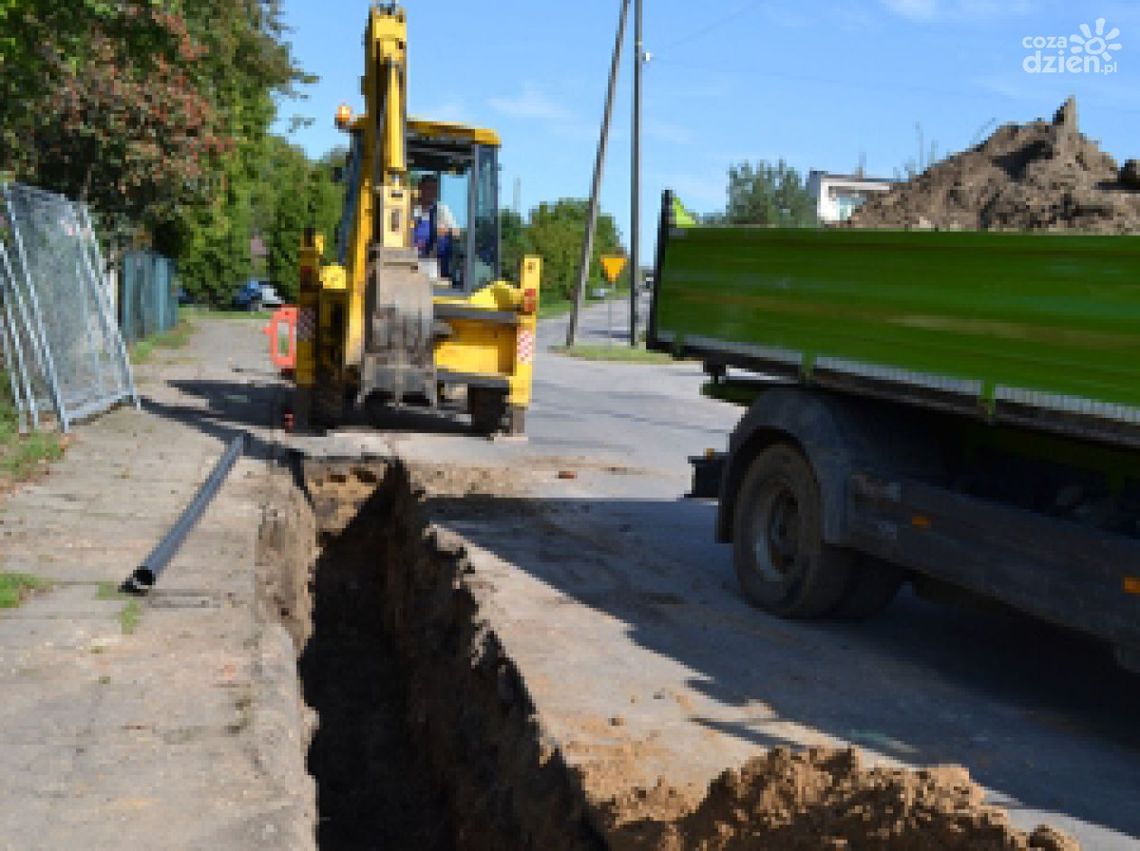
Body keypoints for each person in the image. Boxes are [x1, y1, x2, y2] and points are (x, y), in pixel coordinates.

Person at [413, 174, 459, 280]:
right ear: (420, 188)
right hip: (412, 258)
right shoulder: (411, 208)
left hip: (434, 260)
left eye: (434, 189)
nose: (431, 192)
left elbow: (456, 233)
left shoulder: (442, 210)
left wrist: (443, 231)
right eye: (428, 188)